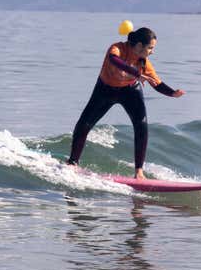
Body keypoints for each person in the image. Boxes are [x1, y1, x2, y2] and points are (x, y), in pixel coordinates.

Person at [67, 25, 185, 179]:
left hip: (130, 91)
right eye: (150, 47)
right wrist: (136, 73)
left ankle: (139, 172)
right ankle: (72, 163)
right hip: (105, 89)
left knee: (141, 126)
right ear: (139, 45)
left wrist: (172, 93)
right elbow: (114, 60)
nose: (152, 51)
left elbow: (157, 83)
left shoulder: (144, 62)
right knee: (84, 124)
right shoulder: (117, 48)